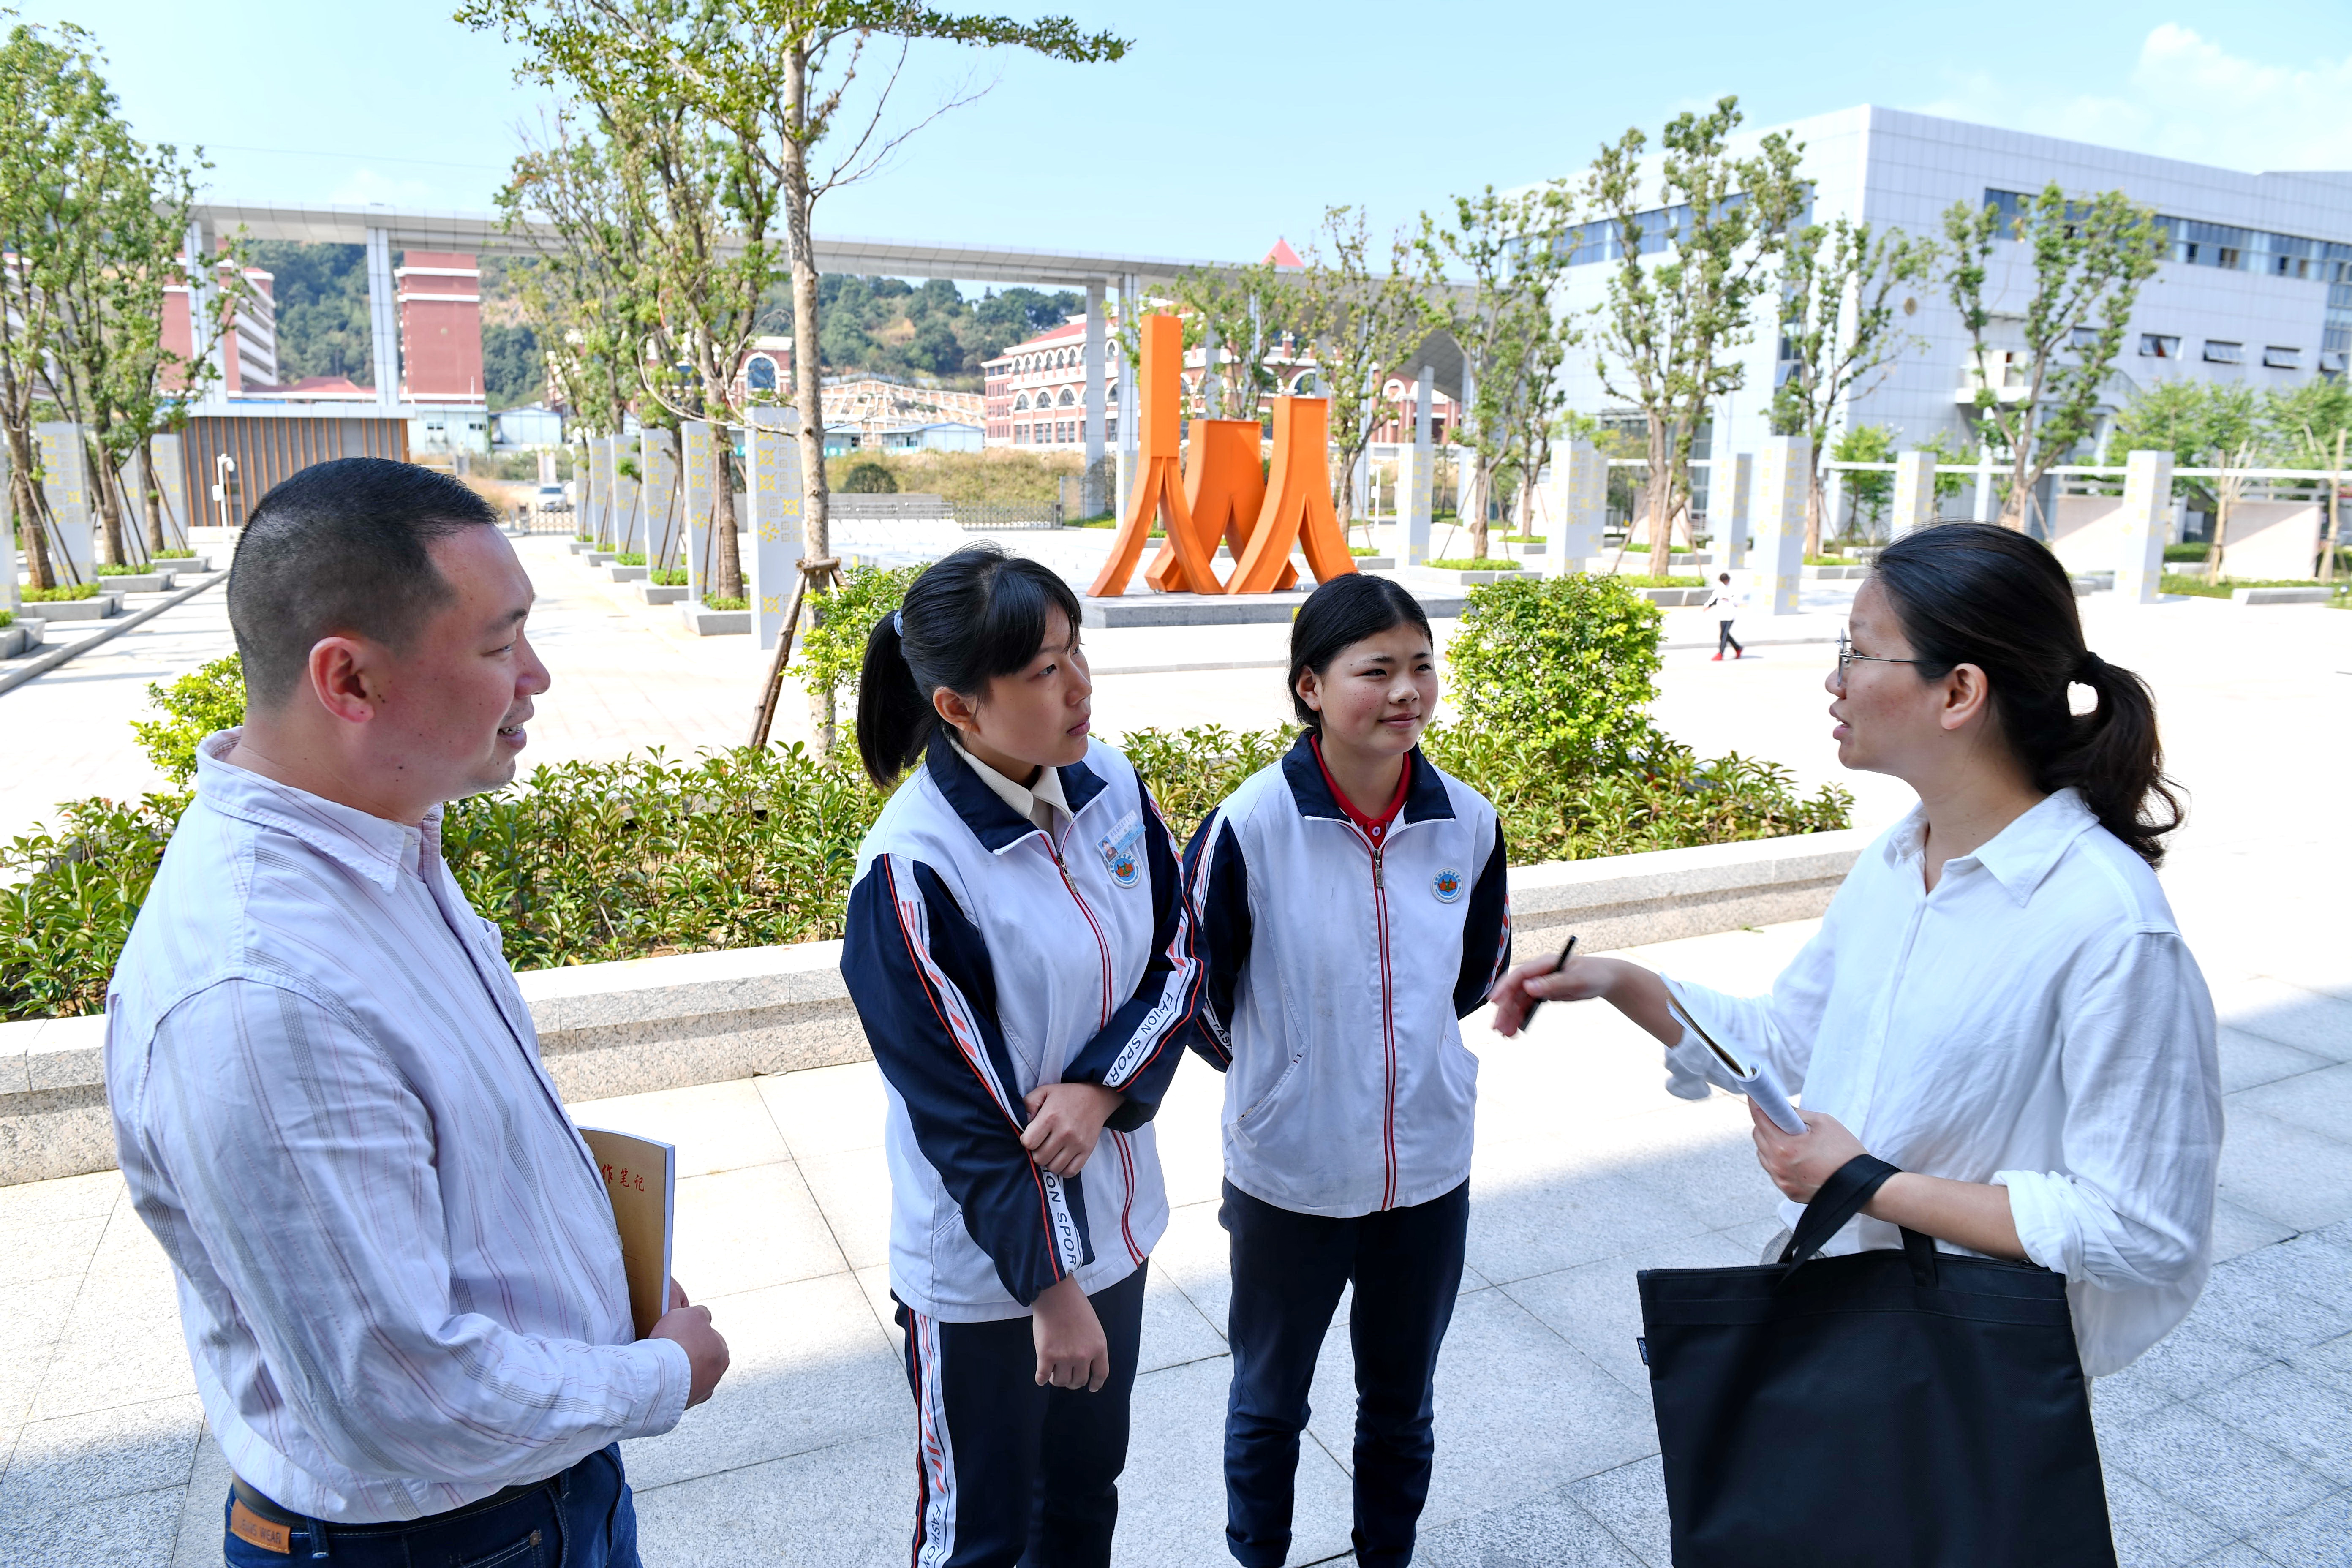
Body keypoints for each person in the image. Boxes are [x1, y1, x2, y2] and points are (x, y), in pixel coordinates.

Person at [105, 459, 729, 1568]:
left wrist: (601, 1283)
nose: (535, 676)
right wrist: (662, 1374)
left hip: (531, 1489)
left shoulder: (380, 847)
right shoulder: (261, 994)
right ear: (348, 678)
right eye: (498, 645)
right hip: (437, 1538)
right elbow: (401, 1394)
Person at [1492, 522, 2224, 1380]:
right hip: (1842, 1320)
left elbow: (2141, 1229)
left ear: (1959, 691)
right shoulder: (1899, 857)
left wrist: (1863, 1181)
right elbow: (1780, 1042)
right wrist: (1617, 978)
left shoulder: (2109, 925)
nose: (1833, 679)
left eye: (1859, 651)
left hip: (1969, 1374)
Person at [840, 544, 1200, 1568]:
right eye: (1045, 669)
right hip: (989, 1272)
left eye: (1075, 650)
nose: (1080, 684)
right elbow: (962, 1116)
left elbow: (1181, 955)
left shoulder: (1110, 782)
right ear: (958, 708)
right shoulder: (913, 871)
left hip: (1115, 1225)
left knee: (1083, 1500)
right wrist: (1051, 1290)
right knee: (983, 1536)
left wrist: (1100, 1086)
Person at [1181, 574, 1512, 1568]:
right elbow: (1199, 994)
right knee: (1269, 1398)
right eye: (1377, 670)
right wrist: (1284, 1079)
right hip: (1290, 1175)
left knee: (1401, 1403)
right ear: (1311, 687)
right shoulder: (1251, 824)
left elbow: (1474, 971)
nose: (1406, 690)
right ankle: (1259, 1554)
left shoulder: (1467, 821)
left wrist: (1405, 1064)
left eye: (1421, 665)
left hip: (1428, 1171)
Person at [1707, 570, 1743, 660]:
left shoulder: (1734, 587)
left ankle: (1721, 653)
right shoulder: (1720, 587)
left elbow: (1739, 601)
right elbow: (1715, 597)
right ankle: (1738, 648)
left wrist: (1728, 599)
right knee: (1723, 634)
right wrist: (1708, 605)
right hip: (1722, 613)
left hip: (1731, 614)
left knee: (1724, 635)